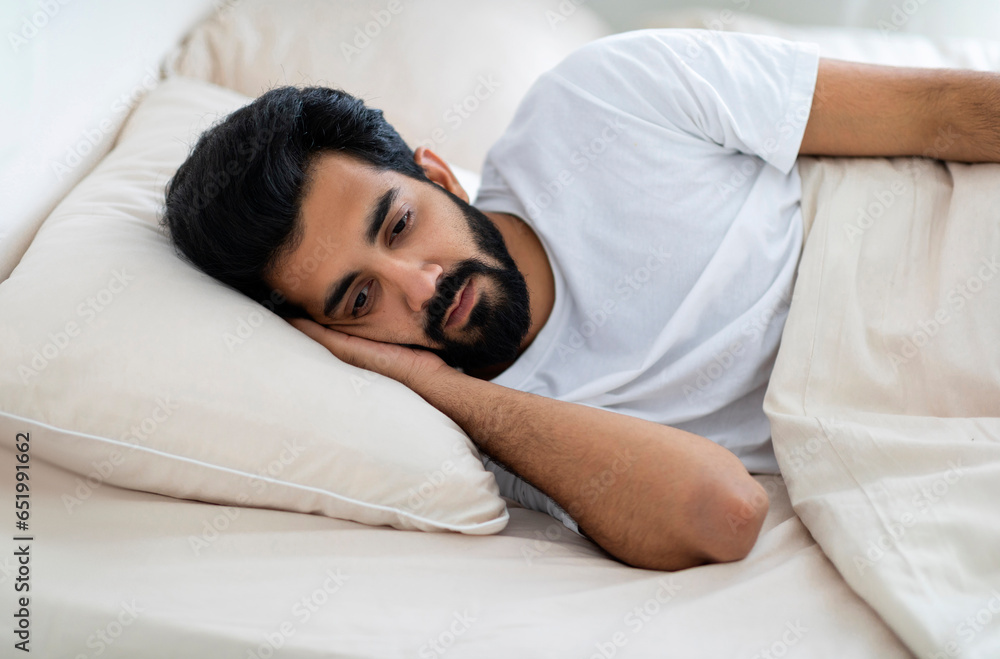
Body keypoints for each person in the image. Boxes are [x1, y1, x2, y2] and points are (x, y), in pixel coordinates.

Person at [161, 28, 1000, 572]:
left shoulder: (603, 97)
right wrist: (437, 388)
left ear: (438, 173)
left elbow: (945, 112)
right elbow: (724, 510)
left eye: (401, 224)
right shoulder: (493, 433)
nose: (421, 285)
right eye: (358, 298)